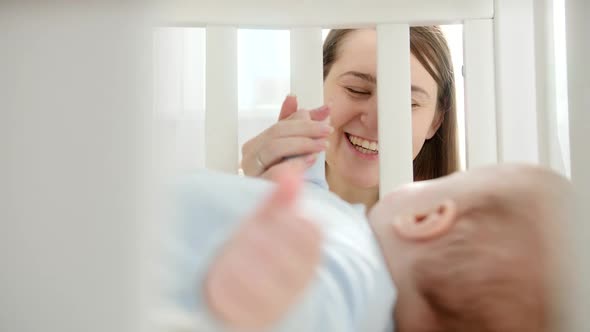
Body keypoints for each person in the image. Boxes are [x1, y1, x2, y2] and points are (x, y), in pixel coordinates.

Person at [165, 162, 571, 332]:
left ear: (425, 218)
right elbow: (315, 208)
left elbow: (309, 308)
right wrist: (299, 171)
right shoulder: (354, 243)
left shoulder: (351, 272)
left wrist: (251, 310)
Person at [240, 27, 460, 209]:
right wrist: (243, 203)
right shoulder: (254, 199)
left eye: (407, 103)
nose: (376, 123)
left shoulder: (462, 241)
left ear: (436, 120)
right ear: (318, 86)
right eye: (357, 90)